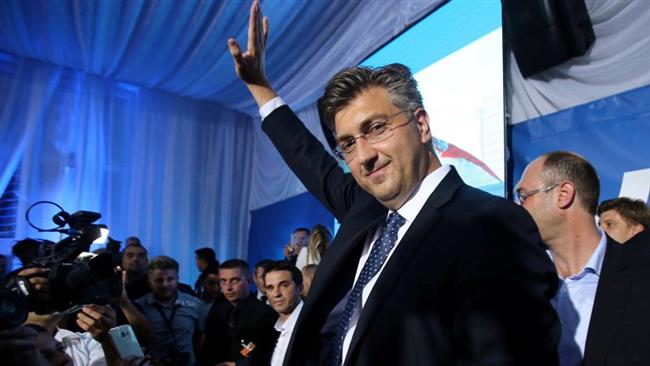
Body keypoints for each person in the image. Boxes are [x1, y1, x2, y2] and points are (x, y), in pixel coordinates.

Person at [226, 2, 560, 365]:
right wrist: (260, 87)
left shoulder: (491, 224)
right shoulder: (365, 208)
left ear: (421, 125)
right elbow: (309, 158)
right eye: (349, 144)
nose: (364, 155)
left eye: (377, 128)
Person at [516, 151, 650, 365]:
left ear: (563, 194)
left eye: (524, 196)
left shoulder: (642, 275)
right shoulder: (517, 287)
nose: (517, 207)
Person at [200, 259, 278, 366]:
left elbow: (257, 346)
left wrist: (237, 363)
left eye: (235, 280)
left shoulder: (265, 313)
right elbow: (208, 346)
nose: (228, 288)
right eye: (223, 281)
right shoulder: (217, 311)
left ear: (249, 281)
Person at [135, 256, 204, 366]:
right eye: (159, 280)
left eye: (170, 279)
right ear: (149, 282)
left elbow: (200, 337)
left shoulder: (195, 304)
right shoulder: (139, 307)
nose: (165, 284)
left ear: (177, 279)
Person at [264, 261, 304, 366]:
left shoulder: (314, 324)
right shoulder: (268, 328)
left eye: (284, 285)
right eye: (270, 288)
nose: (276, 294)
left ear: (300, 288)